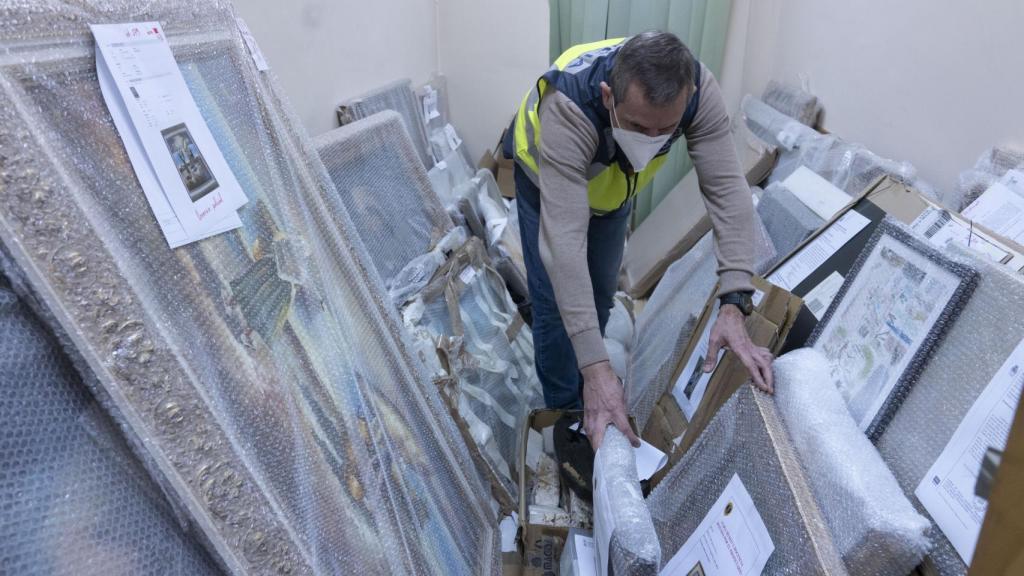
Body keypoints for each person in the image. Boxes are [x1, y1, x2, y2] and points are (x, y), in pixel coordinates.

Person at [504, 31, 775, 450]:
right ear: (609, 95)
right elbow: (565, 246)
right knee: (556, 307)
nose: (651, 139)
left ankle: (589, 386)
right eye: (638, 126)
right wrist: (597, 371)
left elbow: (727, 191)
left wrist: (736, 298)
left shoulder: (698, 94)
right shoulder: (569, 107)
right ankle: (567, 418)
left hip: (612, 190)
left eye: (665, 129)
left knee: (599, 295)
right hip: (546, 181)